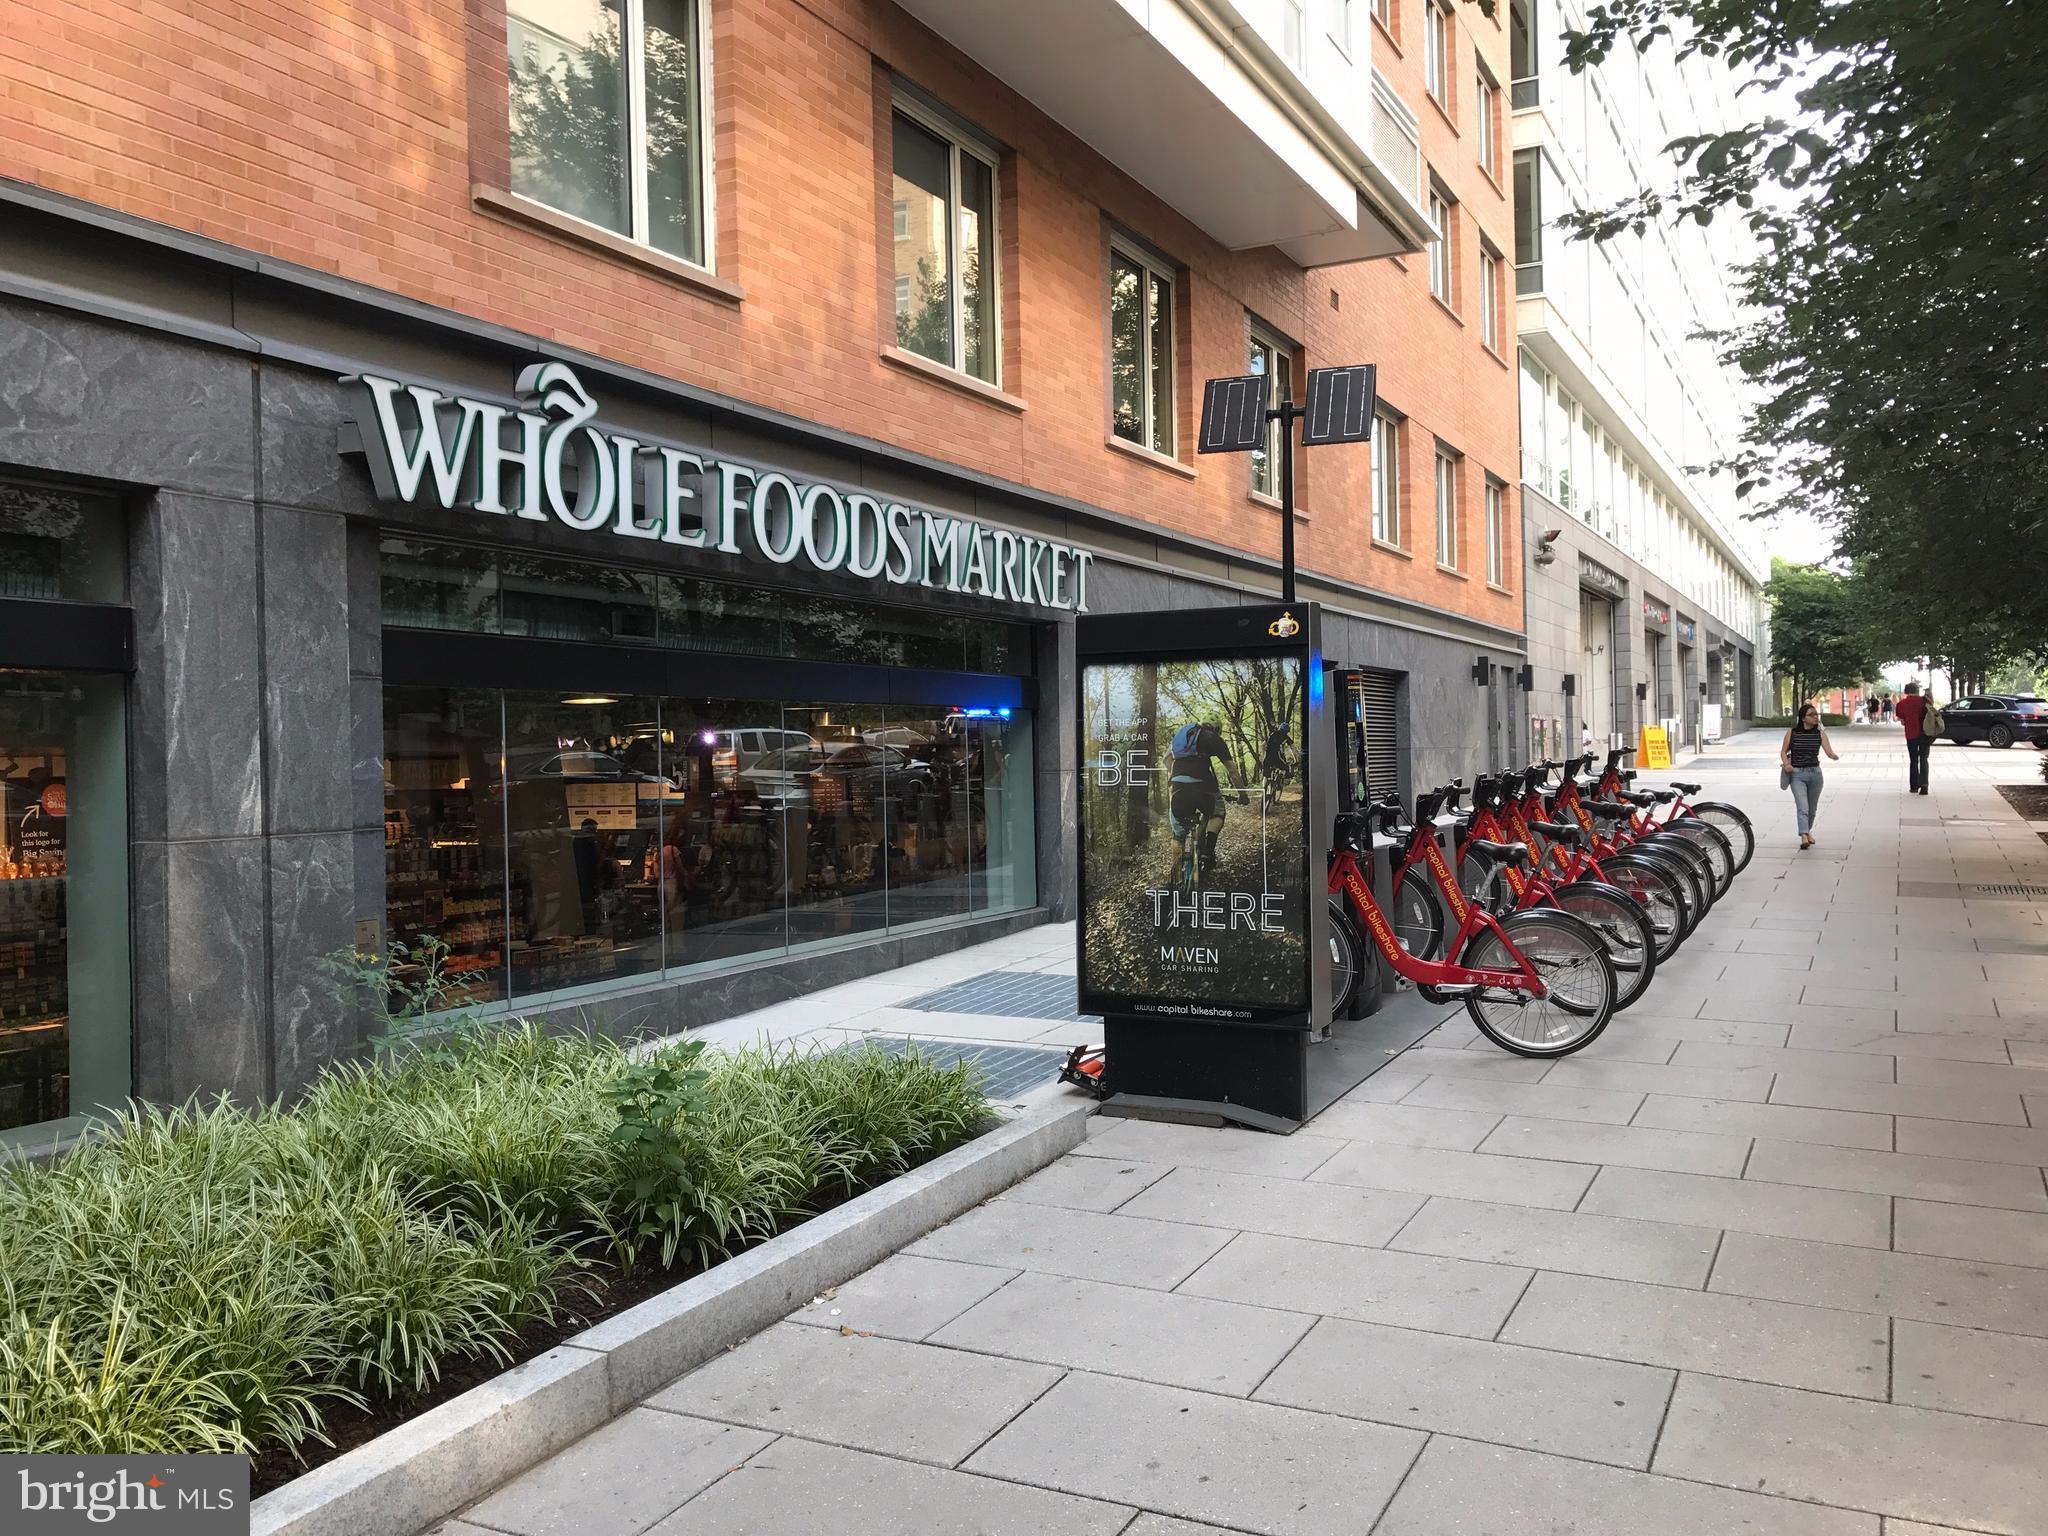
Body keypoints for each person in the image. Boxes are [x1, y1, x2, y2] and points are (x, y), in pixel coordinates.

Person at [1166, 721, 1246, 886]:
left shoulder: (1183, 737)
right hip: (1204, 789)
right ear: (1217, 729)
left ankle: (1175, 878)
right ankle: (1207, 852)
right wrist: (1243, 795)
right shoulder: (1214, 739)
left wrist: (1177, 776)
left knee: (1178, 836)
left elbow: (1166, 759)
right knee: (1217, 812)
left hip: (1178, 788)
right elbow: (1232, 771)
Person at [1779, 702, 1840, 850]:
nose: (1815, 717)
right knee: (1803, 806)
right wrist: (1786, 764)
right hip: (1797, 774)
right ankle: (1803, 835)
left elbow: (1829, 751)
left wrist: (1833, 756)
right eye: (1811, 715)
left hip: (1815, 774)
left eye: (1816, 714)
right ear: (1803, 718)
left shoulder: (1820, 733)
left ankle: (1807, 831)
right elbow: (1783, 751)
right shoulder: (1792, 732)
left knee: (1812, 809)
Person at [1895, 681, 1934, 794]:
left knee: (1913, 759)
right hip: (1925, 733)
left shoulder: (1901, 704)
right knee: (1924, 758)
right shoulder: (1924, 701)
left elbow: (1902, 721)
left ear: (1906, 691)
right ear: (1917, 691)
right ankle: (1924, 785)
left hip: (1911, 734)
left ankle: (1914, 786)